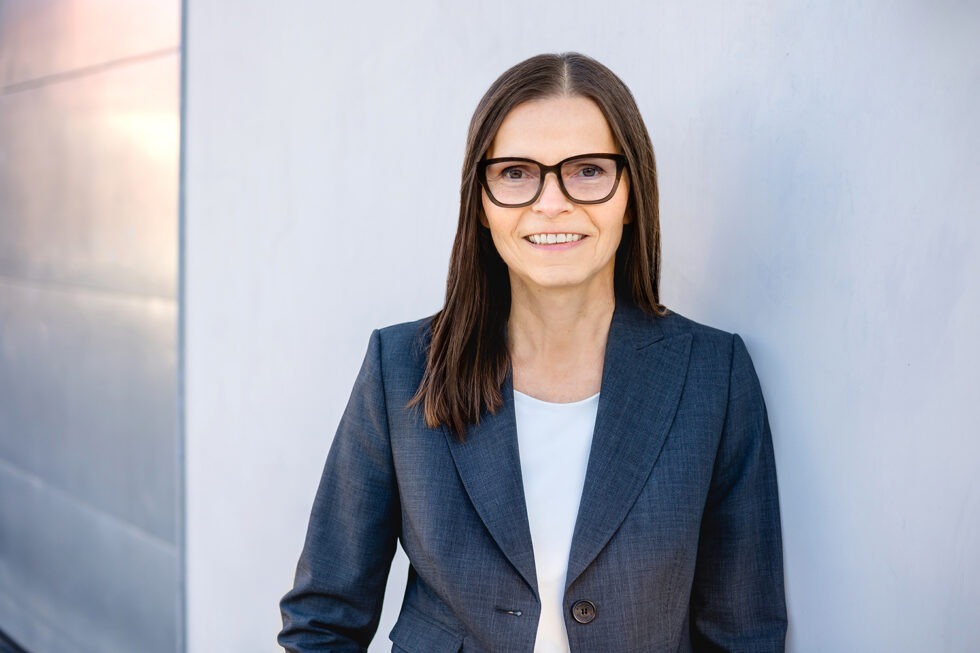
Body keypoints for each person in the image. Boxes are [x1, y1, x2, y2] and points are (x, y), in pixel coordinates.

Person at [279, 52, 786, 653]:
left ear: (632, 196)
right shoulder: (401, 369)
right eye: (517, 173)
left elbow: (743, 633)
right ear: (482, 205)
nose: (552, 203)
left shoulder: (714, 376)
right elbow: (323, 621)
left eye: (588, 171)